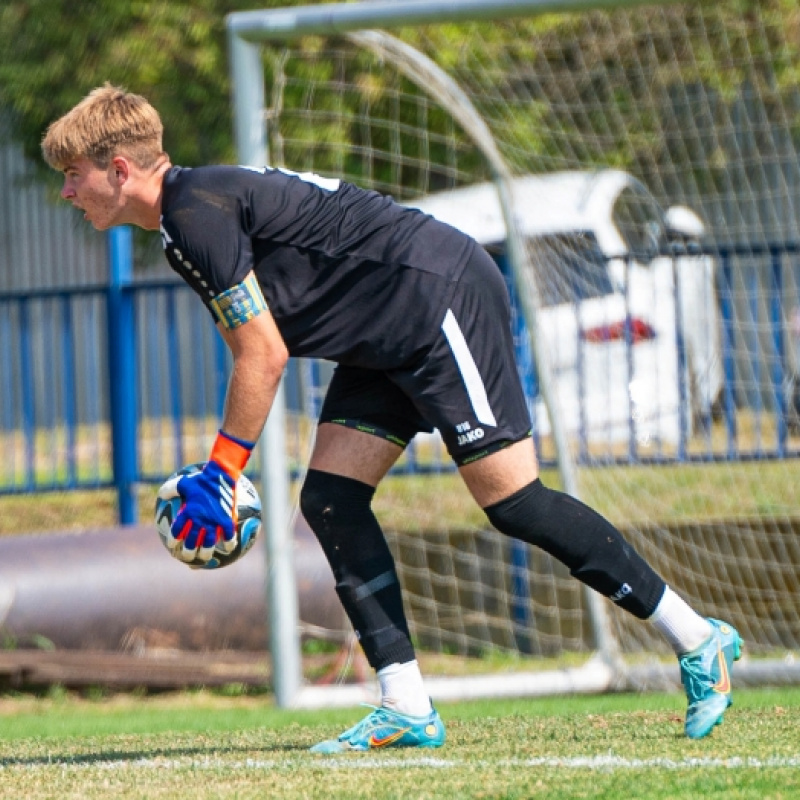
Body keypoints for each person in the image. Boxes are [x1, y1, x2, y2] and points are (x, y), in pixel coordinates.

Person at [42, 84, 742, 751]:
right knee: (331, 502)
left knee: (516, 503)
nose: (68, 191)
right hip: (383, 336)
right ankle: (405, 703)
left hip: (437, 300)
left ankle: (696, 637)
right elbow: (263, 346)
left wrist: (222, 471)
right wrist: (224, 467)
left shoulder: (194, 212)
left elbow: (262, 355)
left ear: (120, 168)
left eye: (73, 174)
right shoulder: (183, 221)